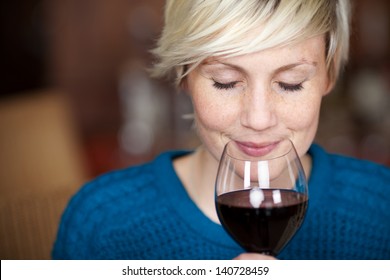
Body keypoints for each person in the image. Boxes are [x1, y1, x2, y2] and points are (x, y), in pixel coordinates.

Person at [52, 0, 390, 260]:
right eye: (225, 83)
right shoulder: (101, 223)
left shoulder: (381, 209)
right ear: (185, 75)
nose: (258, 119)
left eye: (290, 84)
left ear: (328, 76)